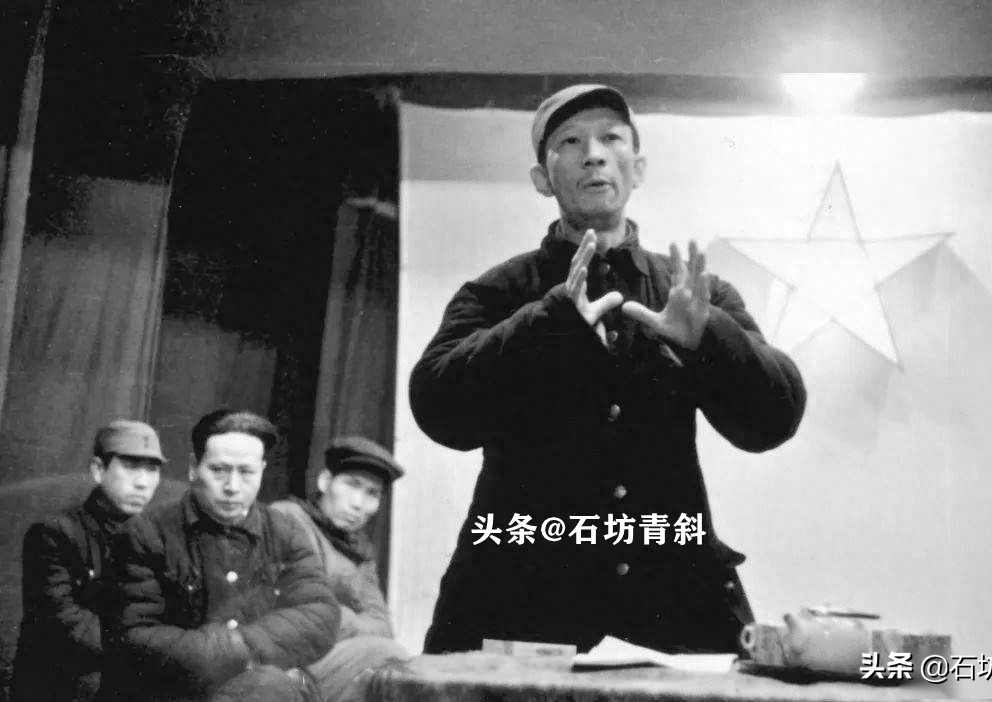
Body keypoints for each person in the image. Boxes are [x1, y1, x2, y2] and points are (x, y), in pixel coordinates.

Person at [410, 84, 807, 655]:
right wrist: (543, 325)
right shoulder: (498, 291)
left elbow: (773, 420)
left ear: (637, 168)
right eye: (570, 142)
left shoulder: (694, 292)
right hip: (521, 599)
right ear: (542, 179)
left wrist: (707, 338)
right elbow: (437, 409)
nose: (593, 155)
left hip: (670, 599)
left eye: (611, 139)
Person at [97, 409, 339, 702]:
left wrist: (244, 645)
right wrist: (233, 655)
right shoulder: (145, 533)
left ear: (262, 470)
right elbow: (135, 635)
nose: (232, 487)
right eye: (219, 470)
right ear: (193, 467)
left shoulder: (284, 531)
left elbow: (320, 614)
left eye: (247, 472)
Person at [10, 419, 165, 702]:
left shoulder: (158, 540)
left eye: (152, 469)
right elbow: (63, 620)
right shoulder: (54, 533)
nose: (142, 482)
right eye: (130, 467)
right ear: (98, 469)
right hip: (63, 688)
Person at [270, 435, 409, 701]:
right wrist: (351, 619)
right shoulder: (287, 518)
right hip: (283, 664)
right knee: (388, 656)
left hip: (325, 661)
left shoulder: (360, 554)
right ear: (325, 482)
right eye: (351, 484)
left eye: (372, 493)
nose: (358, 503)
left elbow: (383, 628)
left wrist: (334, 615)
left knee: (389, 660)